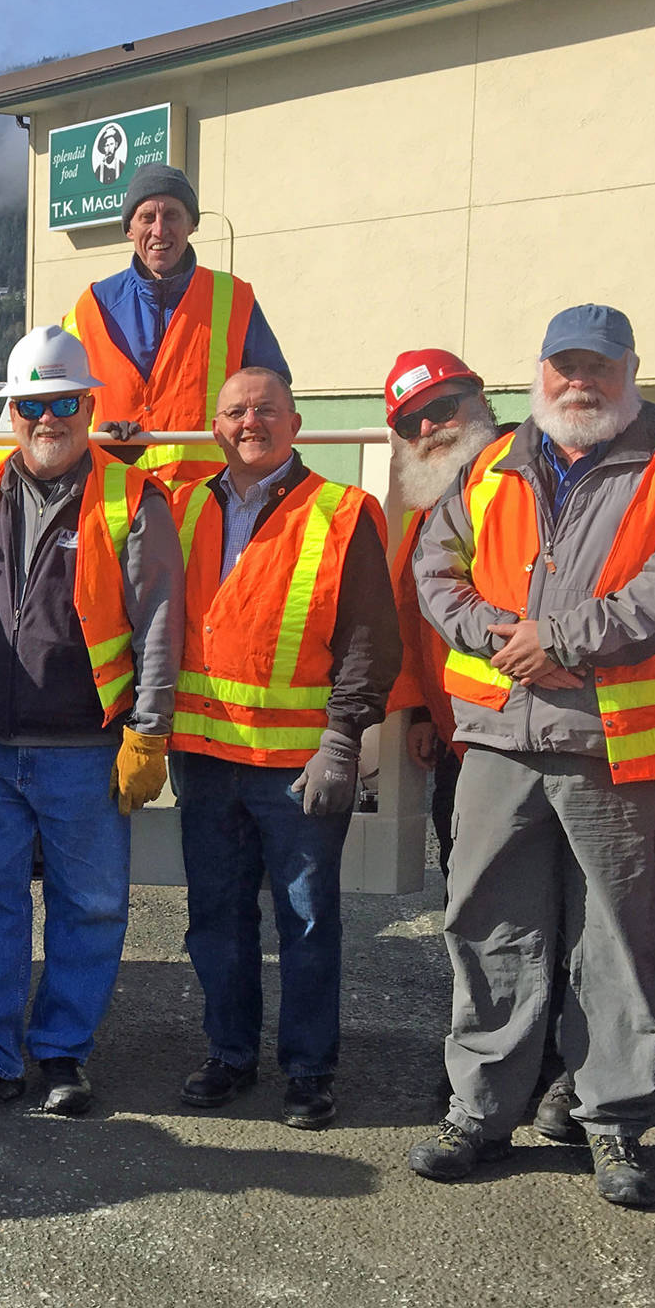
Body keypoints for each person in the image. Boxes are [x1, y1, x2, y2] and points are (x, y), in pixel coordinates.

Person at [382, 349, 655, 1141]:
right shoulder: (448, 487)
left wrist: (554, 641)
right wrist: (428, 696)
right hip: (482, 737)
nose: (432, 426)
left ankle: (588, 1101)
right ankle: (487, 1098)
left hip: (610, 740)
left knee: (607, 933)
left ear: (482, 396)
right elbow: (414, 595)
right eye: (414, 420)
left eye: (445, 406)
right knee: (490, 922)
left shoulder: (625, 460)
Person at [0, 326, 182, 1118]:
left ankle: (64, 1053)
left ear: (89, 405)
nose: (47, 419)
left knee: (90, 905)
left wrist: (150, 728)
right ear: (11, 412)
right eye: (31, 405)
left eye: (63, 402)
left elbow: (162, 622)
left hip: (86, 745)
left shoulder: (132, 497)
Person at [172, 366, 400, 1132]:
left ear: (296, 423)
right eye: (234, 411)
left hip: (299, 767)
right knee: (217, 918)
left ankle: (308, 1070)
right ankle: (229, 1054)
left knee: (305, 922)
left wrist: (343, 740)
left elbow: (371, 636)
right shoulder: (184, 506)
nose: (250, 423)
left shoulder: (343, 512)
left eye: (266, 410)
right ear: (216, 428)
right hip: (204, 756)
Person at [61, 163, 288, 485]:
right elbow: (58, 401)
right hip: (113, 498)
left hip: (214, 501)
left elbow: (274, 394)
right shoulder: (91, 306)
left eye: (171, 216)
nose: (159, 230)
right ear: (129, 229)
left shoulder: (234, 297)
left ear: (191, 224)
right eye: (146, 218)